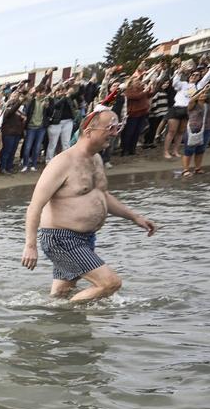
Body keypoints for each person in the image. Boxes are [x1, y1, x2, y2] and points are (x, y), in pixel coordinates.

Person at [21, 108, 158, 303]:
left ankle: (58, 322)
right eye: (110, 128)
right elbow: (35, 205)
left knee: (60, 294)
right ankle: (71, 310)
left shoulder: (96, 159)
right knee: (110, 283)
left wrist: (135, 217)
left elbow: (102, 196)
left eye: (118, 127)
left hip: (85, 237)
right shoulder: (62, 163)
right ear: (88, 131)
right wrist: (30, 246)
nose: (115, 133)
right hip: (62, 239)